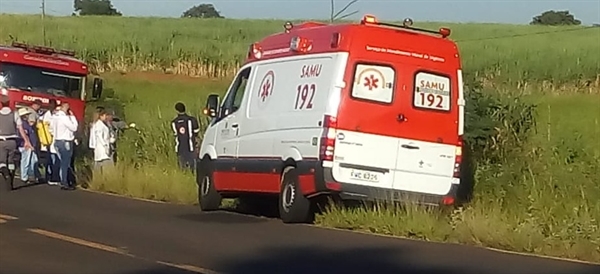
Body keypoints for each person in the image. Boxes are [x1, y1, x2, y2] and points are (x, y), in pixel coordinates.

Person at [51, 102, 78, 191]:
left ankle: (64, 180)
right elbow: (74, 128)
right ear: (65, 107)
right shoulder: (64, 118)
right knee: (65, 163)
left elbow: (50, 129)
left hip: (57, 140)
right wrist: (73, 117)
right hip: (65, 141)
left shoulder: (55, 117)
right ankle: (64, 182)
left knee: (62, 162)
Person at [0, 95, 26, 184]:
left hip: (1, 141)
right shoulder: (14, 114)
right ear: (8, 103)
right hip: (12, 140)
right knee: (11, 160)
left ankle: (5, 173)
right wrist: (26, 140)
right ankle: (11, 175)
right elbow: (20, 128)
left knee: (2, 161)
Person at [170, 102, 200, 171]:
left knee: (182, 169)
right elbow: (196, 132)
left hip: (180, 148)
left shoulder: (174, 122)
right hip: (191, 148)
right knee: (193, 169)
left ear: (177, 111)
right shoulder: (192, 120)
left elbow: (175, 134)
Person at [38, 99, 60, 185]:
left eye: (53, 105)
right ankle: (50, 177)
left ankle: (53, 177)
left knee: (54, 160)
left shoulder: (57, 115)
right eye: (51, 105)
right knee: (49, 160)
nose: (52, 106)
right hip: (47, 141)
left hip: (54, 140)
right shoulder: (45, 116)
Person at [16, 108, 40, 184]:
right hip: (26, 145)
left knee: (33, 160)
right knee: (26, 161)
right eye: (26, 114)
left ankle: (31, 175)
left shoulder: (25, 123)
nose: (28, 116)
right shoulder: (23, 124)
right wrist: (29, 144)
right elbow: (25, 135)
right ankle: (24, 177)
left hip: (29, 145)